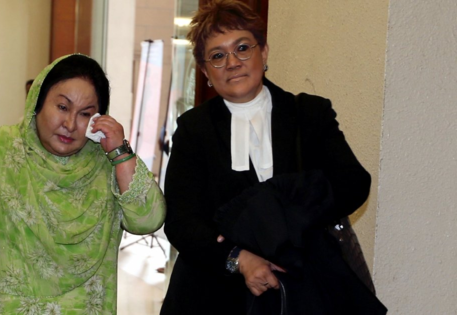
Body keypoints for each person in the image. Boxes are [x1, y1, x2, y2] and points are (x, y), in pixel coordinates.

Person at [161, 1, 386, 314]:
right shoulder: (192, 129)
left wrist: (286, 220)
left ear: (263, 52)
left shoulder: (310, 114)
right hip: (213, 294)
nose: (232, 62)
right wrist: (239, 258)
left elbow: (353, 183)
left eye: (242, 47)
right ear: (205, 72)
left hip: (300, 288)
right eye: (217, 55)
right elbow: (180, 221)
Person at [0, 54, 166, 314]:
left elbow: (147, 221)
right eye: (62, 107)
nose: (70, 124)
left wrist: (120, 152)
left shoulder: (106, 164)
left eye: (85, 114)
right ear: (37, 102)